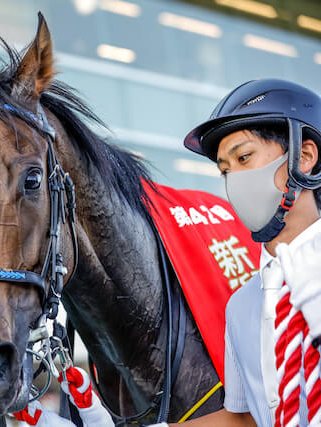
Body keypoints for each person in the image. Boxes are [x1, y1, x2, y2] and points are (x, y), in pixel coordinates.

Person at [19, 78, 321, 426]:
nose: (234, 179)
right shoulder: (243, 306)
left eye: (244, 157)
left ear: (305, 156)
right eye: (225, 169)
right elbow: (243, 419)